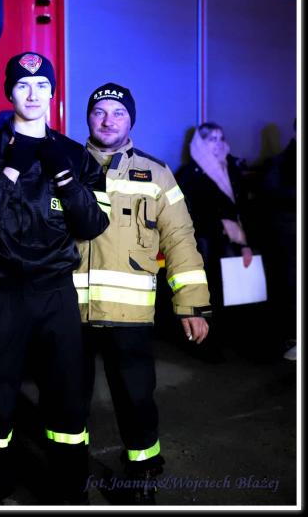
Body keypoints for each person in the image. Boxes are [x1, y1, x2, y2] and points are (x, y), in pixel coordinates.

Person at [0, 52, 108, 504]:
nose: (33, 94)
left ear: (53, 93)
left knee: (66, 395)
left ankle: (69, 489)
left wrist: (65, 177)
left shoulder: (74, 155)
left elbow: (92, 225)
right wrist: (9, 169)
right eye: (23, 85)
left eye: (43, 86)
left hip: (55, 294)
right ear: (10, 92)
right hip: (0, 292)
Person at [75, 83, 211, 504]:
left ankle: (142, 475)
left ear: (131, 119)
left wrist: (191, 305)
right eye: (99, 111)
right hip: (67, 312)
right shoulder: (65, 164)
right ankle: (71, 472)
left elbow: (181, 240)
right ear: (88, 117)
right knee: (67, 402)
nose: (108, 120)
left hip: (129, 315)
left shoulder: (157, 173)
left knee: (136, 401)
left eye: (118, 112)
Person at [176, 122, 253, 362]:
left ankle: (234, 342)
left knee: (236, 294)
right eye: (212, 139)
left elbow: (242, 207)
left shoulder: (231, 169)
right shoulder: (189, 174)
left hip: (233, 243)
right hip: (206, 245)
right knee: (211, 297)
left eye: (221, 138)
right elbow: (187, 214)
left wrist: (244, 241)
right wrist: (221, 224)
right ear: (200, 143)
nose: (218, 144)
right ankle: (207, 346)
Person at [256, 125, 297, 361]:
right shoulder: (280, 162)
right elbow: (270, 195)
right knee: (290, 288)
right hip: (289, 238)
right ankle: (292, 338)